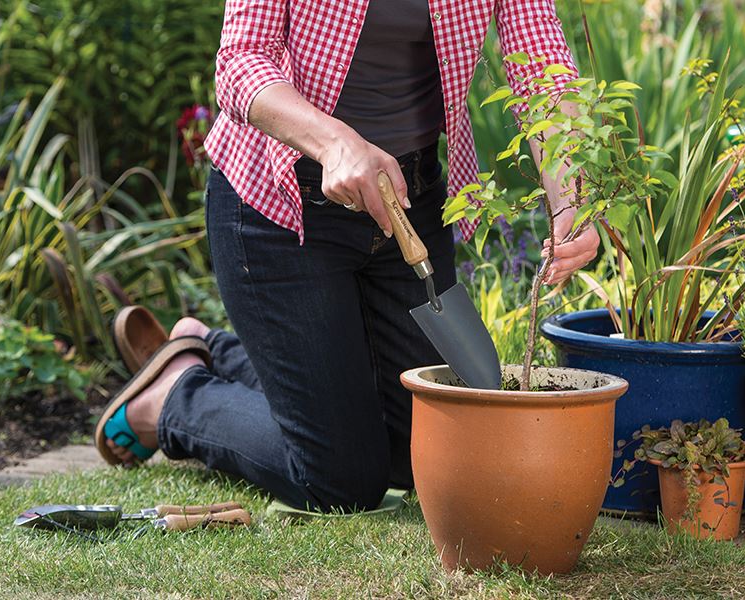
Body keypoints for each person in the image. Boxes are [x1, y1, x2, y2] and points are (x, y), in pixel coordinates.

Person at [95, 0, 600, 512]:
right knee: (340, 479)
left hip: (407, 205)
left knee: (431, 445)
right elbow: (242, 62)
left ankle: (211, 347)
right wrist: (335, 143)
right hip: (280, 204)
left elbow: (541, 61)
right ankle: (173, 397)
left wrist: (572, 201)